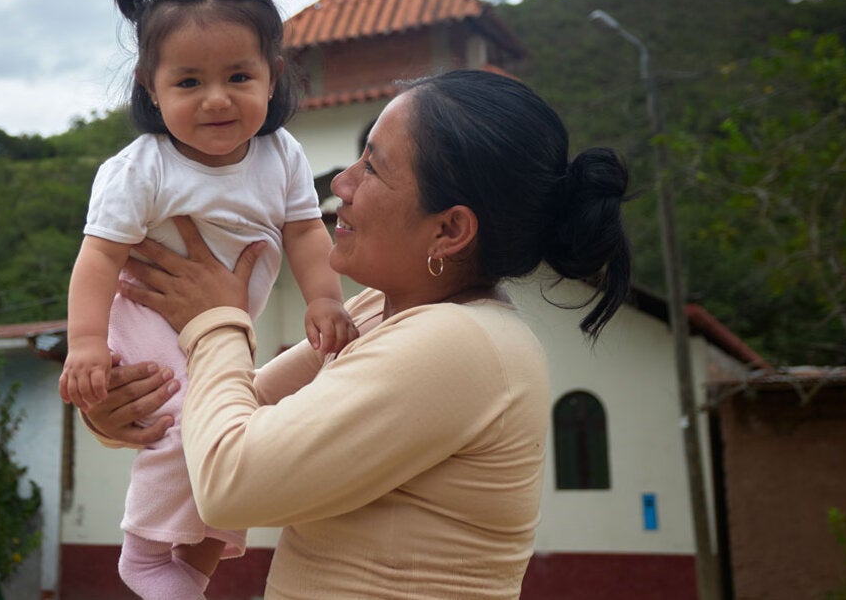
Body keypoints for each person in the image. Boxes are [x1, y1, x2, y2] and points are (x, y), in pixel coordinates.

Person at [85, 68, 633, 599]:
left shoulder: (461, 343)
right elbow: (233, 406)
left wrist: (213, 321)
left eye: (372, 167)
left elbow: (231, 480)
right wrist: (122, 412)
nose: (341, 184)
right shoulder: (382, 310)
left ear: (449, 230)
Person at [57, 0, 359, 600]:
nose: (217, 98)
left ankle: (191, 565)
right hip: (147, 320)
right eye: (189, 81)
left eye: (238, 77)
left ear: (273, 76)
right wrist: (84, 344)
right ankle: (143, 550)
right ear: (150, 86)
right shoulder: (141, 169)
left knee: (228, 426)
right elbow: (98, 260)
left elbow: (309, 235)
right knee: (189, 428)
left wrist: (324, 300)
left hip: (217, 330)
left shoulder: (281, 156)